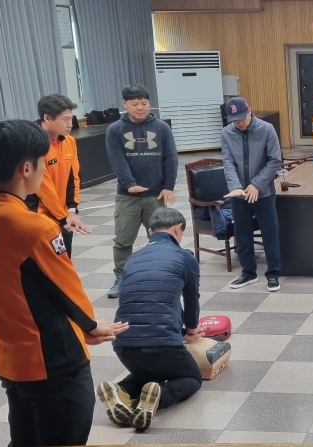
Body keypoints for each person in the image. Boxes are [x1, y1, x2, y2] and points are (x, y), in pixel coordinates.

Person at [0, 119, 126, 446]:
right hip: (52, 361)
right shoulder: (35, 227)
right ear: (26, 168)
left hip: (9, 357)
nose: (45, 170)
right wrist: (91, 326)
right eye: (42, 163)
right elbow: (65, 289)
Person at [96, 207, 203, 431]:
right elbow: (191, 298)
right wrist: (191, 330)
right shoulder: (184, 257)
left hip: (123, 345)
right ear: (177, 229)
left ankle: (121, 390)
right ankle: (160, 394)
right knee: (192, 378)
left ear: (150, 231)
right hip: (162, 344)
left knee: (147, 373)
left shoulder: (132, 259)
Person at [105, 84, 178, 299]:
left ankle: (163, 275)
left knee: (162, 237)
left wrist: (168, 186)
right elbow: (117, 159)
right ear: (125, 104)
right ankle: (121, 278)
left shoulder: (162, 127)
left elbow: (171, 157)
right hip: (128, 196)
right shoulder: (115, 129)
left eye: (144, 103)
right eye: (135, 104)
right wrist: (129, 183)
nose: (140, 107)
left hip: (156, 195)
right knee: (123, 240)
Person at [221, 96, 283, 292]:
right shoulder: (226, 133)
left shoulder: (266, 129)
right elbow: (228, 162)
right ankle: (248, 273)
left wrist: (256, 185)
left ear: (249, 111)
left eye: (241, 118)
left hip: (263, 192)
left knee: (270, 232)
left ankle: (273, 274)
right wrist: (235, 187)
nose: (239, 122)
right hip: (239, 193)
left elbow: (275, 160)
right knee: (242, 233)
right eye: (234, 120)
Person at [25, 94, 91, 257]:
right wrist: (63, 218)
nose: (70, 124)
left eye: (71, 119)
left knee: (64, 261)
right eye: (65, 120)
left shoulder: (69, 141)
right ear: (47, 118)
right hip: (39, 219)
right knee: (44, 266)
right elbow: (43, 188)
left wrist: (72, 210)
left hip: (63, 217)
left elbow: (73, 178)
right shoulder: (32, 144)